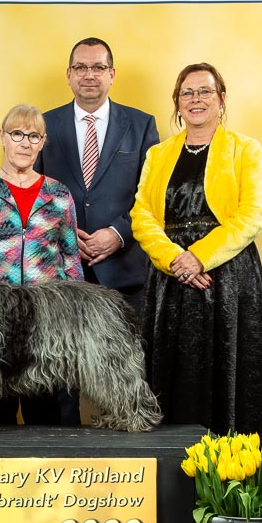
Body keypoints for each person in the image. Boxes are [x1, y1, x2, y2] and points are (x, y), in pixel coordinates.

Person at [130, 62, 262, 441]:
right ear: (177, 102)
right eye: (187, 93)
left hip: (226, 277)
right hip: (170, 279)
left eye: (205, 91)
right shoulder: (158, 155)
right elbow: (141, 215)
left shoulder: (245, 149)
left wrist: (199, 257)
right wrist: (174, 259)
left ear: (221, 99)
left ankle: (233, 465)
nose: (196, 99)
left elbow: (252, 214)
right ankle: (171, 464)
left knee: (229, 369)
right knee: (171, 370)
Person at [37, 36, 159, 424]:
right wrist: (66, 233)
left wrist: (118, 233)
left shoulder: (141, 125)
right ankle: (62, 449)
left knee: (123, 373)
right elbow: (32, 192)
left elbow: (151, 197)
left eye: (98, 67)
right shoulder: (44, 125)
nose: (89, 75)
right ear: (69, 75)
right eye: (81, 68)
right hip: (60, 275)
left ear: (112, 74)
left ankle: (124, 452)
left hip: (123, 272)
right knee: (59, 378)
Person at [0, 104, 83, 425]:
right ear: (2, 137)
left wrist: (76, 316)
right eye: (17, 134)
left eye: (33, 136)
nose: (25, 143)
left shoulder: (58, 194)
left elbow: (70, 259)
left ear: (42, 143)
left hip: (48, 322)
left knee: (48, 417)